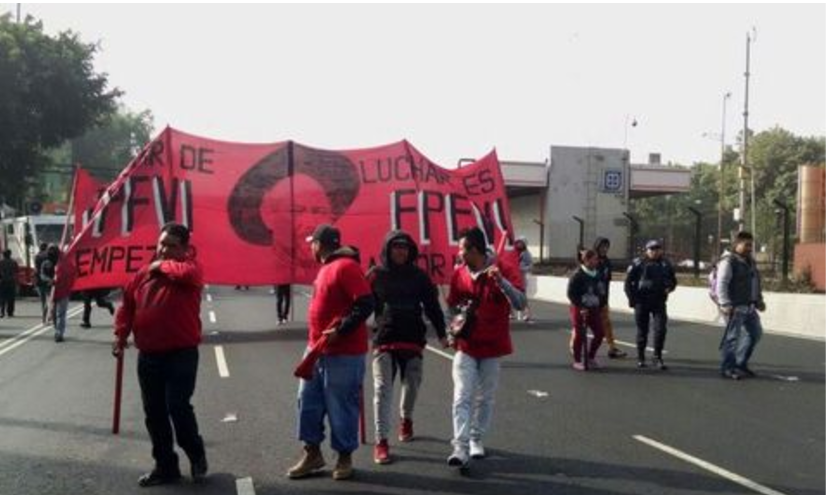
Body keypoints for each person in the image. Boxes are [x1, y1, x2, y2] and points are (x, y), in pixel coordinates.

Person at [112, 223, 208, 487]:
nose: (164, 249)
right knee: (154, 413)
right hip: (149, 355)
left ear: (186, 249)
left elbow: (188, 275)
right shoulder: (142, 275)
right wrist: (120, 336)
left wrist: (159, 265)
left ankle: (195, 451)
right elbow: (127, 307)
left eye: (171, 246)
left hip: (182, 353)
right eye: (161, 244)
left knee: (177, 407)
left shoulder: (190, 269)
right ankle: (165, 466)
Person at [287, 224, 374, 481]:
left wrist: (342, 331)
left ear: (320, 244)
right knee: (308, 402)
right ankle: (312, 452)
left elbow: (366, 302)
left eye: (312, 243)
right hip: (317, 349)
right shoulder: (327, 268)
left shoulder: (346, 267)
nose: (310, 247)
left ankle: (344, 457)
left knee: (341, 405)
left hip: (343, 352)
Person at [445, 227, 526, 469]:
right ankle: (459, 446)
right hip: (466, 345)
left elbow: (520, 303)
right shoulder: (459, 274)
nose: (459, 253)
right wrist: (456, 324)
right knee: (462, 395)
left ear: (476, 250)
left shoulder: (503, 270)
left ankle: (476, 438)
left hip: (492, 346)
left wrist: (502, 282)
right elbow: (450, 306)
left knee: (485, 398)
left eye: (463, 249)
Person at [368, 230, 448, 465]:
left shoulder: (420, 277)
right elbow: (362, 302)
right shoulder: (375, 275)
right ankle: (381, 441)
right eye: (396, 246)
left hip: (413, 338)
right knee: (382, 390)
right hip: (385, 338)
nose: (400, 251)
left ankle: (406, 419)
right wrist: (354, 325)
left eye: (404, 247)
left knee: (411, 385)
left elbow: (433, 306)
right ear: (388, 249)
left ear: (410, 250)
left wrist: (442, 334)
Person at [716, 231, 766, 380]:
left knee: (755, 333)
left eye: (751, 245)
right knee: (732, 338)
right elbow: (722, 284)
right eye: (746, 245)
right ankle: (728, 368)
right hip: (735, 307)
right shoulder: (728, 261)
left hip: (749, 306)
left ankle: (740, 364)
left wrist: (759, 299)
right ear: (736, 244)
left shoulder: (750, 261)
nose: (750, 248)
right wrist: (725, 303)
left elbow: (755, 281)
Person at [624, 239, 677, 370]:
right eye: (652, 249)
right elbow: (627, 284)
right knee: (642, 330)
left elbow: (673, 281)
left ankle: (657, 356)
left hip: (659, 301)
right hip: (641, 302)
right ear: (646, 250)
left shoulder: (666, 264)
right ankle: (641, 357)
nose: (655, 251)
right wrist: (632, 300)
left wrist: (669, 288)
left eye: (657, 249)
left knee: (660, 329)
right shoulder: (638, 263)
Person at [567, 248, 606, 370]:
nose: (597, 261)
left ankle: (591, 357)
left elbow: (601, 290)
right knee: (579, 335)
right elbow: (571, 293)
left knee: (600, 333)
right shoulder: (577, 275)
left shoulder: (598, 274)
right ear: (587, 260)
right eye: (595, 259)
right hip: (579, 309)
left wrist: (601, 303)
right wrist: (581, 306)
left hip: (594, 308)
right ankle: (577, 360)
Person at [594, 237, 626, 359]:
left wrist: (606, 299)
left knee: (606, 324)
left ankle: (612, 348)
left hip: (603, 299)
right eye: (602, 246)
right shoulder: (592, 259)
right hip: (590, 299)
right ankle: (574, 346)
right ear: (597, 246)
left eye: (606, 246)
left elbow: (607, 282)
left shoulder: (607, 262)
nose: (604, 248)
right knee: (583, 324)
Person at [41, 245, 68, 342]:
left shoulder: (64, 262)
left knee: (61, 313)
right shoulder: (46, 263)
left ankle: (59, 333)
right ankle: (55, 327)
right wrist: (50, 280)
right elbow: (42, 275)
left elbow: (70, 273)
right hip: (51, 290)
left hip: (62, 290)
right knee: (53, 311)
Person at [514, 236, 533, 322]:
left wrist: (521, 268)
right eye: (518, 242)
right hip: (513, 276)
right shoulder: (514, 252)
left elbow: (530, 266)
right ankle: (513, 313)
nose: (519, 244)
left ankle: (527, 314)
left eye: (521, 242)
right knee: (511, 295)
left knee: (523, 296)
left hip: (521, 277)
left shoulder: (526, 254)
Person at [0, 249, 19, 318]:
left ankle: (2, 312)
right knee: (11, 298)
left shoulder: (1, 262)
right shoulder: (13, 262)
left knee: (2, 298)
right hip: (11, 281)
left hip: (2, 281)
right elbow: (17, 271)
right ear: (10, 254)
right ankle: (10, 312)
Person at [34, 242, 50, 322]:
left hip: (38, 281)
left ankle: (44, 318)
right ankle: (48, 316)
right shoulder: (48, 257)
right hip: (47, 280)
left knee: (43, 300)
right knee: (49, 300)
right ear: (46, 248)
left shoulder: (36, 257)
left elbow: (36, 269)